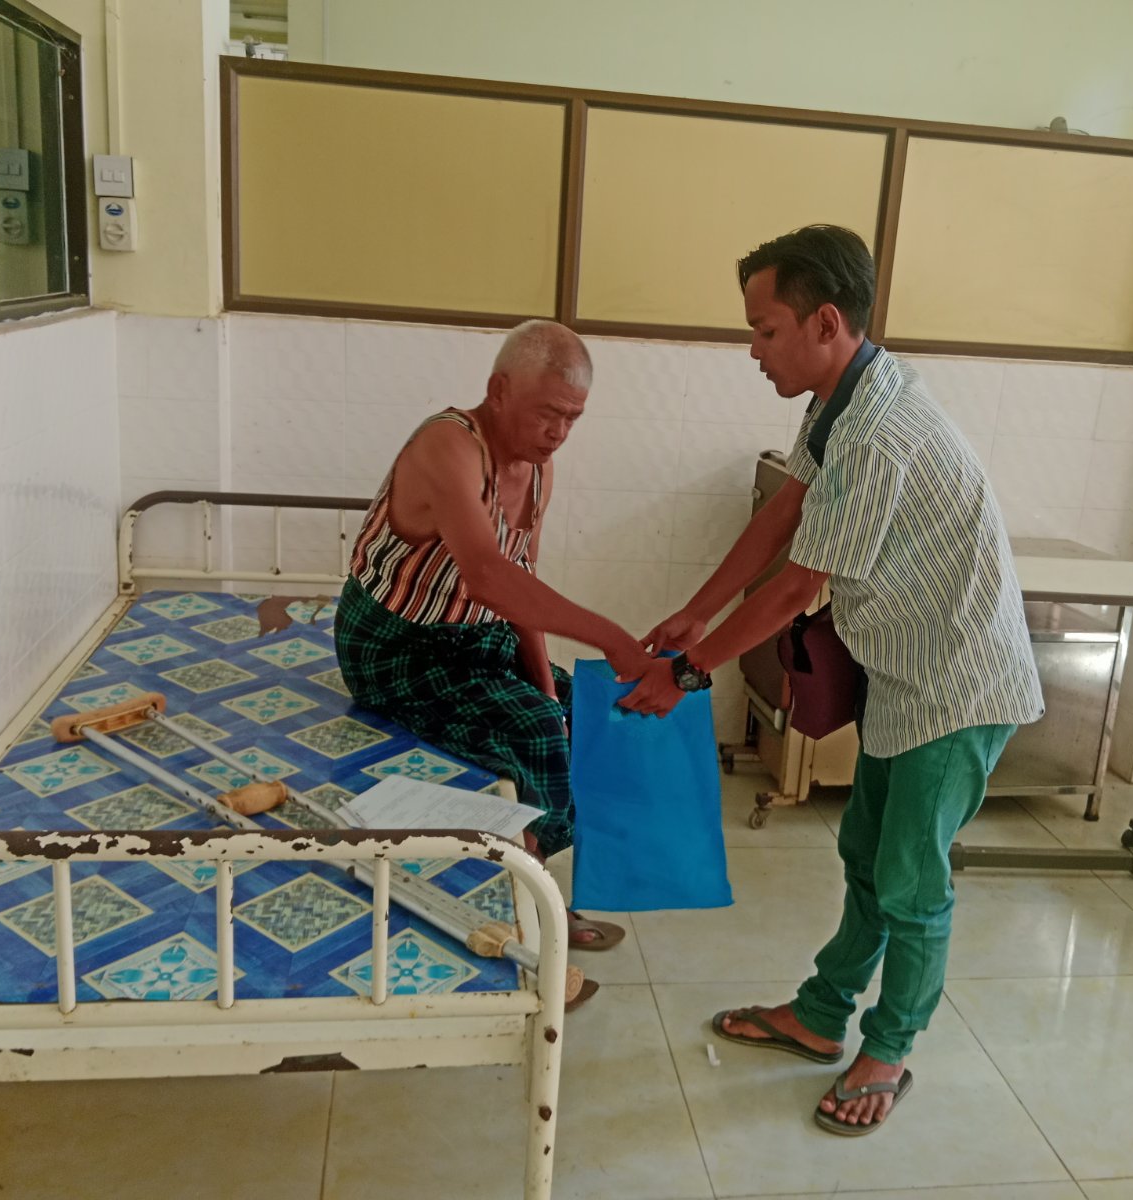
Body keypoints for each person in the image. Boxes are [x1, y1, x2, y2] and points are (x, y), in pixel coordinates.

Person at [622, 225, 1044, 1134]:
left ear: (824, 322)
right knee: (865, 859)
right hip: (905, 673)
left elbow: (797, 586)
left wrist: (689, 673)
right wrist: (698, 610)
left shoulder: (880, 431)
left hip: (956, 687)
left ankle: (889, 1049)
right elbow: (788, 508)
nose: (754, 349)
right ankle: (820, 1016)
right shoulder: (842, 402)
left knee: (911, 883)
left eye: (765, 329)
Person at [335, 318, 651, 952]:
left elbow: (520, 579)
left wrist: (545, 685)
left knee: (579, 711)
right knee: (535, 730)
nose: (559, 432)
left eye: (572, 419)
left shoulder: (537, 470)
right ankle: (535, 905)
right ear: (499, 390)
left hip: (474, 643)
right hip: (394, 647)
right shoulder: (447, 446)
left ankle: (530, 874)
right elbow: (487, 577)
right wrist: (612, 638)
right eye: (548, 414)